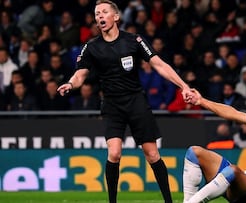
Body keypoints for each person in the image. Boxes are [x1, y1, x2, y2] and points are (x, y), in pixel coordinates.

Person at [57, 1, 193, 203]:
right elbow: (80, 74)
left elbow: (159, 64)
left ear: (116, 17)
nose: (99, 16)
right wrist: (70, 83)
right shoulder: (92, 46)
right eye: (97, 13)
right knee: (114, 153)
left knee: (152, 154)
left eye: (104, 12)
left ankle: (169, 201)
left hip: (136, 101)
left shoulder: (134, 40)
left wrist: (184, 86)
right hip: (112, 104)